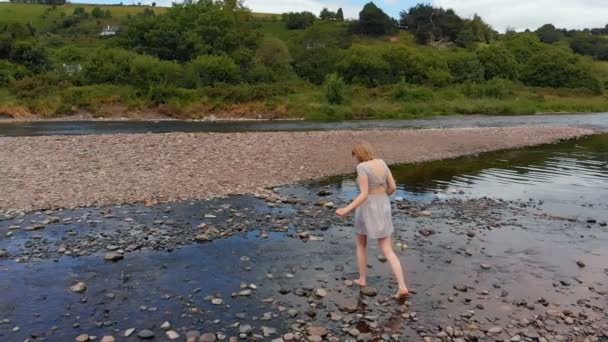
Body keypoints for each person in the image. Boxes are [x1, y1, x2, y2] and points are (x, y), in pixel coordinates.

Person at [336, 141, 409, 299]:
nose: (355, 159)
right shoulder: (382, 162)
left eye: (355, 155)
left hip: (367, 207)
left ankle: (362, 279)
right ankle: (402, 286)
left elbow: (363, 194)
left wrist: (346, 210)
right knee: (388, 250)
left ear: (359, 154)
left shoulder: (362, 167)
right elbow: (393, 187)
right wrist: (382, 199)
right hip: (383, 204)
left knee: (362, 244)